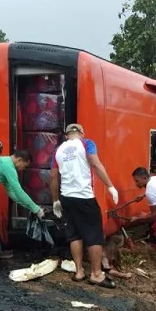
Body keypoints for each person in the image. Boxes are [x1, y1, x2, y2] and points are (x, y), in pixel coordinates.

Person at [50, 124, 119, 289]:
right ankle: (96, 274)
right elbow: (94, 163)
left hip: (66, 198)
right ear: (81, 133)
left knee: (74, 235)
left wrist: (55, 200)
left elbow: (53, 176)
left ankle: (79, 271)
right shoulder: (87, 143)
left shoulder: (58, 150)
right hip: (84, 197)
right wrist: (110, 186)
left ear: (67, 135)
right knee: (94, 235)